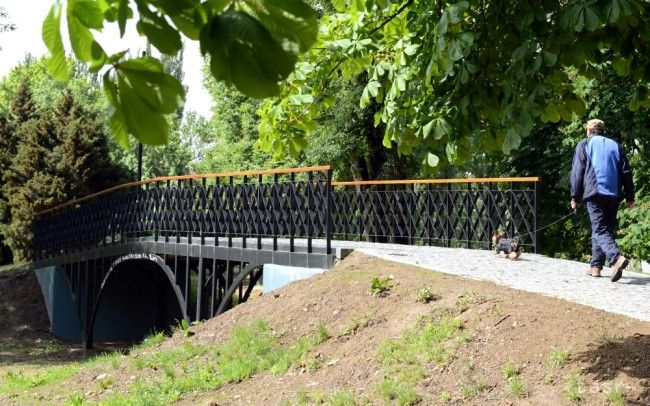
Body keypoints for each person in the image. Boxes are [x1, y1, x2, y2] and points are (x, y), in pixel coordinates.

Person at [570, 119, 635, 282]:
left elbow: (578, 172)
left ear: (589, 130)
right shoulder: (615, 145)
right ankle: (595, 266)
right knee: (602, 229)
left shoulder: (584, 144)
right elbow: (626, 171)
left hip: (594, 192)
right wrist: (630, 196)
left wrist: (574, 196)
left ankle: (616, 258)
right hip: (613, 194)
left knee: (600, 230)